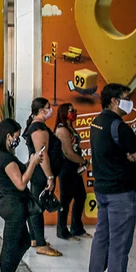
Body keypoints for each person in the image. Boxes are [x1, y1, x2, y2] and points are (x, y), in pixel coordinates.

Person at [88, 83, 136, 272]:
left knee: (102, 237)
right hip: (120, 194)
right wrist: (132, 157)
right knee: (119, 244)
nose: (129, 102)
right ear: (114, 101)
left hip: (102, 189)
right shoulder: (119, 127)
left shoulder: (97, 122)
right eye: (126, 98)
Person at [0, 118, 44, 272]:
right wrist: (33, 163)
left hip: (12, 204)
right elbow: (21, 183)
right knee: (10, 246)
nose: (18, 139)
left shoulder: (0, 154)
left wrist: (29, 162)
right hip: (12, 205)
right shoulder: (5, 158)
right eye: (16, 136)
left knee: (24, 242)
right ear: (7, 136)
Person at [23, 97, 63, 257]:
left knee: (35, 204)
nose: (50, 110)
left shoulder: (36, 126)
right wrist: (50, 177)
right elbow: (42, 153)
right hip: (41, 173)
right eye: (48, 107)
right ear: (41, 110)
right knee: (37, 208)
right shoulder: (38, 128)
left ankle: (34, 238)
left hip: (38, 173)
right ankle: (40, 243)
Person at [54, 103, 90, 240]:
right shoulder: (62, 129)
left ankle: (77, 228)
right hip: (67, 167)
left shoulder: (70, 127)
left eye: (74, 110)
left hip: (74, 167)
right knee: (65, 200)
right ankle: (62, 230)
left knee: (81, 196)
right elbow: (68, 153)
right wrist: (83, 161)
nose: (74, 112)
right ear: (64, 113)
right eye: (70, 111)